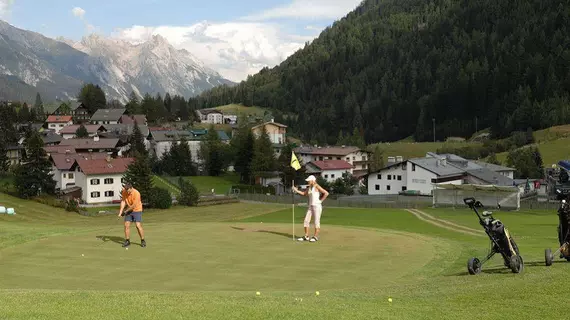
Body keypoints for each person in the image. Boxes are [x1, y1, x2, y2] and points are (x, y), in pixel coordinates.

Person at [292, 175, 329, 242]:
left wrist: (320, 201)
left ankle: (315, 236)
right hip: (310, 206)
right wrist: (296, 190)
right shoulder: (309, 187)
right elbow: (304, 193)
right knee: (306, 220)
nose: (308, 181)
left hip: (317, 206)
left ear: (312, 180)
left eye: (309, 180)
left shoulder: (316, 186)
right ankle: (306, 236)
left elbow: (326, 193)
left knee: (316, 221)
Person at [118, 182, 146, 248]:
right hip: (128, 210)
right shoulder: (125, 191)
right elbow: (123, 201)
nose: (127, 192)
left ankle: (142, 240)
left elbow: (133, 206)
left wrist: (125, 212)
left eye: (128, 190)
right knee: (126, 225)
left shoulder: (137, 193)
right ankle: (127, 241)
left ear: (131, 188)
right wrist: (120, 212)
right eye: (126, 190)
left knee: (137, 225)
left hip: (137, 210)